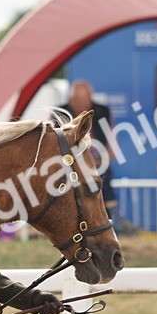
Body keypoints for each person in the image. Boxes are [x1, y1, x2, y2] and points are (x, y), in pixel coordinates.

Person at [58, 80, 118, 219]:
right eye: (79, 101)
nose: (84, 105)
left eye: (87, 100)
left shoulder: (102, 112)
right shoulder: (60, 113)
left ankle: (111, 216)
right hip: (68, 165)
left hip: (97, 164)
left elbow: (112, 145)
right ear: (70, 99)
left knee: (102, 178)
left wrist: (101, 161)